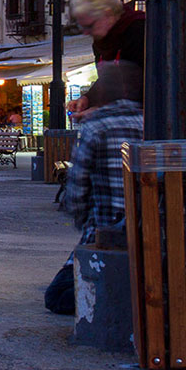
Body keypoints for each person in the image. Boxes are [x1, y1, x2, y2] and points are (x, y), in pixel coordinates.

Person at [59, 61, 147, 249]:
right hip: (151, 230)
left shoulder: (97, 127)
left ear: (102, 94)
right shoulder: (150, 124)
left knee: (67, 277)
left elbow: (77, 185)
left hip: (108, 229)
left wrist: (80, 217)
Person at [71, 0, 145, 70]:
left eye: (90, 25)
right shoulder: (102, 41)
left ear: (108, 14)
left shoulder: (139, 31)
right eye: (82, 26)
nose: (86, 33)